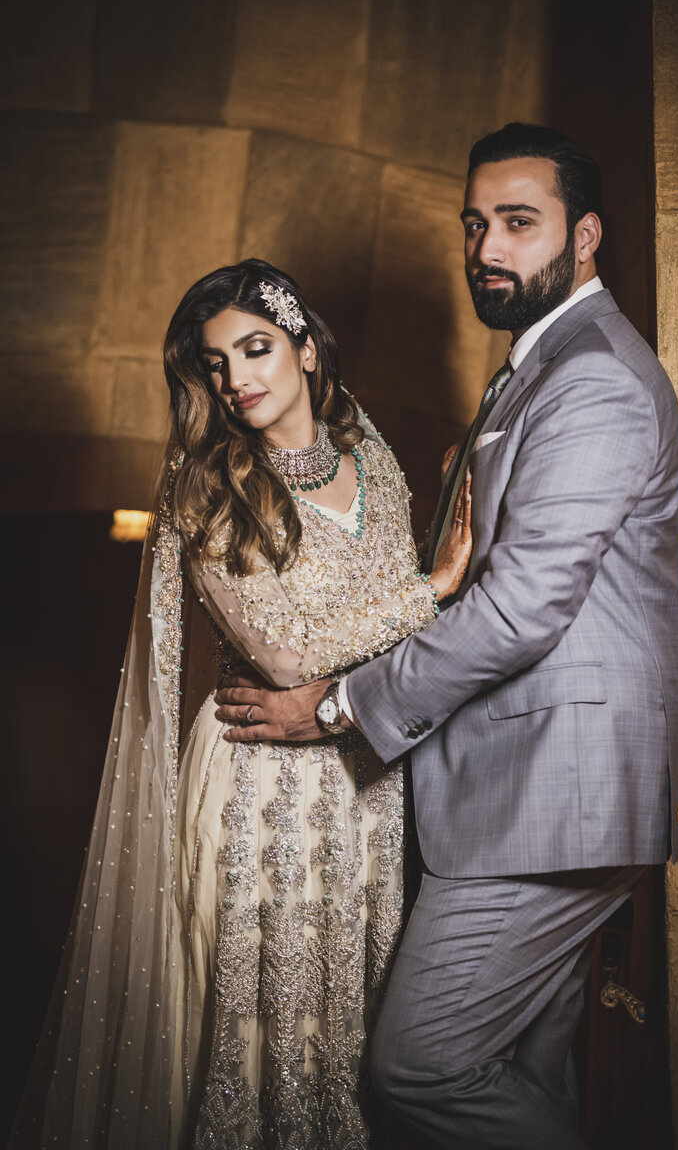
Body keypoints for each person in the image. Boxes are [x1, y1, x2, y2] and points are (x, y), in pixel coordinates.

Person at [215, 125, 678, 1148]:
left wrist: (335, 706)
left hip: (547, 794)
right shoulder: (533, 369)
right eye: (475, 224)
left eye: (518, 223)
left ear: (585, 235)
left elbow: (520, 609)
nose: (486, 246)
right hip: (524, 790)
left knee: (417, 1069)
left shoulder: (592, 377)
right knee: (523, 1071)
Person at [10, 259, 471, 1149]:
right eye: (216, 364)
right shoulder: (207, 490)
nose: (236, 378)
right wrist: (434, 585)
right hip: (263, 785)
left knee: (356, 1031)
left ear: (304, 347)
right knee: (269, 1043)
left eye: (255, 349)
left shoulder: (372, 458)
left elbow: (382, 625)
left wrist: (445, 527)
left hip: (368, 782)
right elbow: (282, 656)